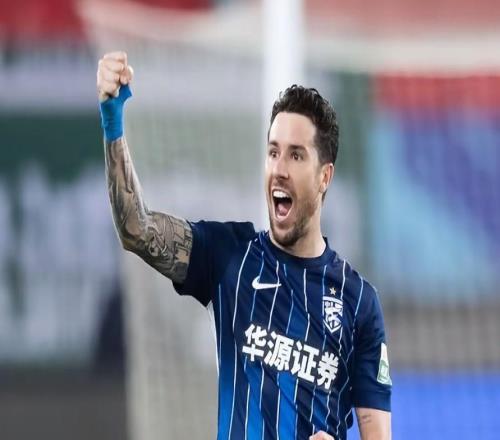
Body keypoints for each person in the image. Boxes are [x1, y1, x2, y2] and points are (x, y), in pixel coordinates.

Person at [97, 51, 392, 440]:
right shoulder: (230, 255)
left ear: (324, 176)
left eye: (296, 155)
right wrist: (112, 122)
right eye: (273, 152)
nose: (279, 169)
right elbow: (137, 228)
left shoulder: (358, 302)